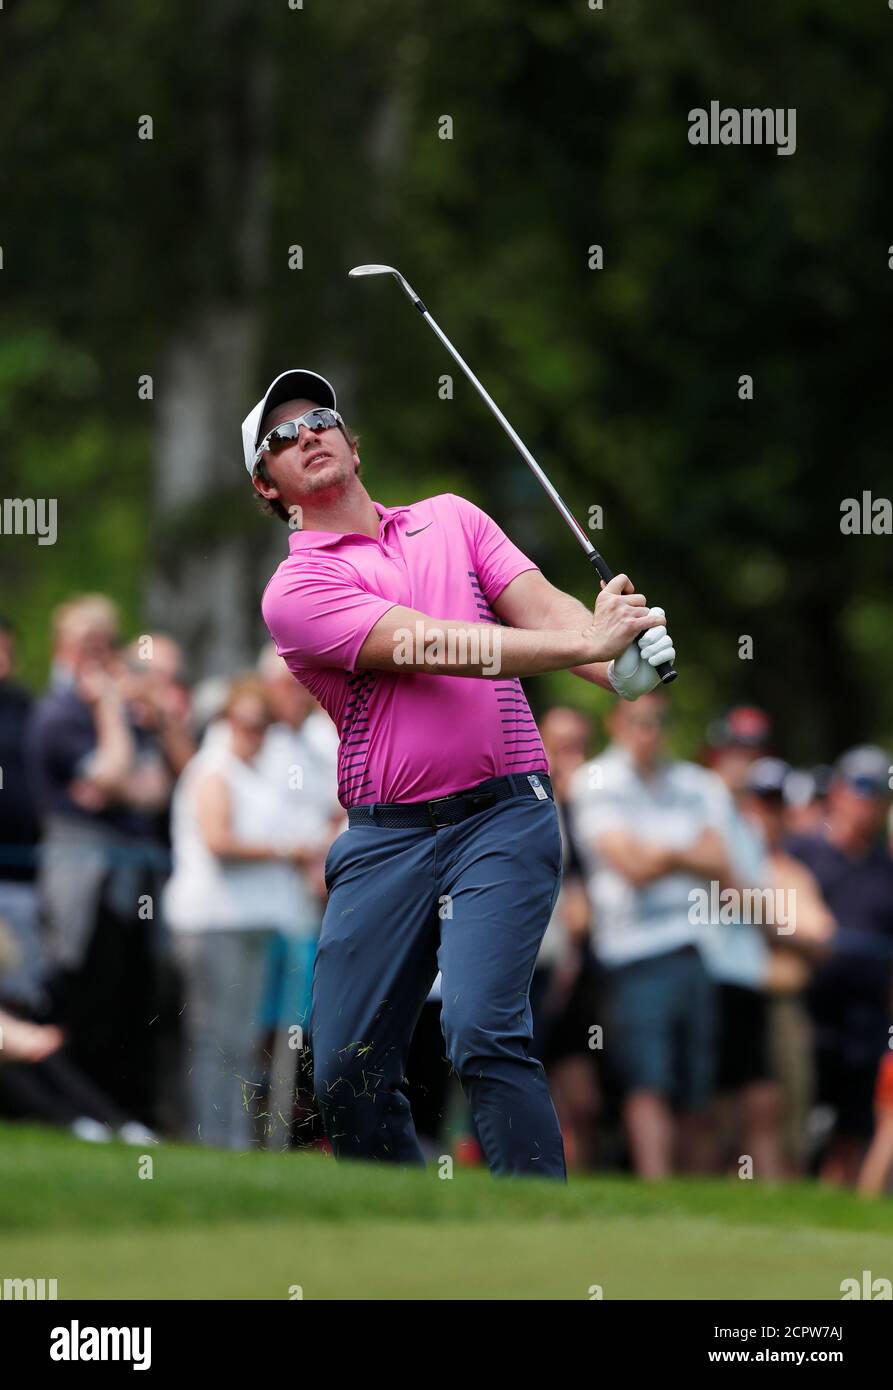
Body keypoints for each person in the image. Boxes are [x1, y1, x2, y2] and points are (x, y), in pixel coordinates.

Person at [245, 368, 676, 1177]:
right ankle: (410, 1236)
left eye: (321, 418)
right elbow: (433, 645)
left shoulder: (452, 518)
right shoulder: (295, 589)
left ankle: (537, 1229)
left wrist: (623, 662)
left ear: (352, 442)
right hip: (385, 840)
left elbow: (549, 618)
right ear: (269, 488)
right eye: (280, 437)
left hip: (503, 816)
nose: (307, 434)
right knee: (347, 1072)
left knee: (481, 1027)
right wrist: (589, 644)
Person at [570, 690, 735, 1179]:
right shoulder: (596, 779)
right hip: (632, 953)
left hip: (696, 947)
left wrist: (657, 852)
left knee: (696, 1088)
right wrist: (685, 852)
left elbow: (720, 861)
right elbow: (632, 867)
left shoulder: (692, 781)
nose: (650, 731)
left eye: (659, 720)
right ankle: (658, 1190)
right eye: (640, 721)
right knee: (648, 1082)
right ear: (617, 721)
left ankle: (693, 1202)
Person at [164, 677, 323, 1149]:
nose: (256, 733)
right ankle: (212, 1137)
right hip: (213, 921)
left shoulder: (256, 773)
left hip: (252, 923)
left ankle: (232, 1139)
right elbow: (218, 840)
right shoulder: (213, 769)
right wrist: (287, 850)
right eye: (248, 724)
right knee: (215, 1039)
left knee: (240, 1040)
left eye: (263, 725)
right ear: (226, 722)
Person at [787, 745, 893, 1185]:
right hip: (805, 1010)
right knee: (792, 1125)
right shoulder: (801, 853)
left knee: (851, 1129)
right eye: (861, 787)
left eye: (879, 791)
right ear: (837, 791)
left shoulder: (886, 868)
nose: (867, 801)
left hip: (866, 1020)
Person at [739, 757, 835, 1175]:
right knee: (736, 1124)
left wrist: (768, 923)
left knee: (791, 1122)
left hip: (785, 1005)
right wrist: (781, 924)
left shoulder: (794, 872)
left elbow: (822, 937)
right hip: (738, 1001)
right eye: (761, 802)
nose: (767, 814)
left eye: (776, 804)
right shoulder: (728, 861)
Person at [700, 708, 784, 1180]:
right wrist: (774, 915)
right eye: (736, 749)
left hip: (743, 971)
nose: (744, 760)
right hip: (712, 967)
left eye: (752, 750)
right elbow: (730, 888)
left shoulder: (748, 822)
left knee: (757, 1101)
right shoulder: (704, 799)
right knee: (717, 1106)